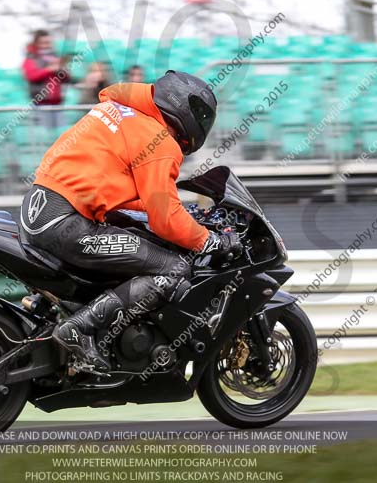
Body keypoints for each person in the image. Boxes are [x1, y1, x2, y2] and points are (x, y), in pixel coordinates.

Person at [19, 70, 240, 372]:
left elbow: (120, 190)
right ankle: (79, 328)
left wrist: (182, 213)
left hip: (37, 209)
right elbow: (165, 220)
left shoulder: (115, 111)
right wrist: (209, 240)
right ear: (187, 110)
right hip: (65, 223)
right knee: (175, 268)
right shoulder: (160, 140)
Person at [22, 30, 71, 129]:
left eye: (49, 42)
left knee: (61, 134)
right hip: (41, 104)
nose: (47, 45)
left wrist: (62, 70)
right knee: (45, 135)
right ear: (37, 43)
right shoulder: (31, 59)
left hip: (58, 104)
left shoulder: (56, 58)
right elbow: (31, 76)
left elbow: (67, 79)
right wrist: (49, 69)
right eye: (43, 43)